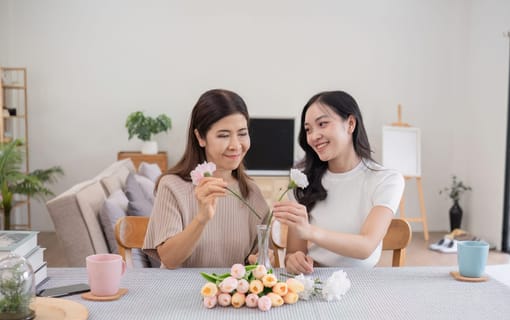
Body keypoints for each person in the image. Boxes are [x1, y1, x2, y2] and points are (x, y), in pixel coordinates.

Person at [272, 91, 405, 274]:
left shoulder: (386, 180)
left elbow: (366, 246)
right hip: (314, 280)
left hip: (363, 283)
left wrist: (310, 231)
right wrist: (293, 260)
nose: (313, 136)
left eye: (322, 124)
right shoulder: (302, 183)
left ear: (350, 124)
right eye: (308, 129)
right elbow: (294, 253)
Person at [143, 89, 269, 269]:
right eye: (223, 135)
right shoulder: (172, 186)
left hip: (231, 295)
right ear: (200, 137)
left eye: (242, 133)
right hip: (178, 294)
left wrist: (261, 258)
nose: (235, 145)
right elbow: (169, 260)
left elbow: (256, 258)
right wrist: (201, 218)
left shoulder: (251, 192)